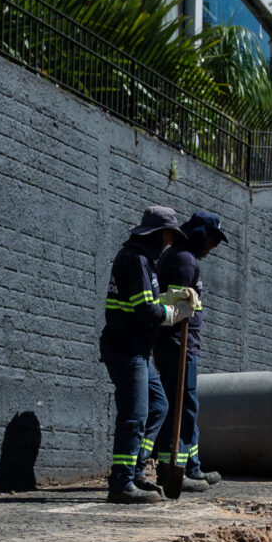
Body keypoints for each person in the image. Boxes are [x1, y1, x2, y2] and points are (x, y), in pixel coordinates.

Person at [100, 206, 195, 505]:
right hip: (127, 349)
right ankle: (122, 482)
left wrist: (169, 299)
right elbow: (145, 310)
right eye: (168, 235)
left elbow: (145, 301)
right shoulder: (136, 260)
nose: (169, 243)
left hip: (138, 351)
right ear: (157, 233)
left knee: (158, 405)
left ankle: (136, 469)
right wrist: (174, 312)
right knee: (134, 415)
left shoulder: (143, 261)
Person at [151, 211, 228, 497]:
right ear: (199, 234)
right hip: (177, 346)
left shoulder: (186, 258)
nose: (215, 245)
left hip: (184, 345)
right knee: (181, 406)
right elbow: (174, 307)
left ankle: (191, 466)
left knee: (189, 405)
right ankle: (176, 468)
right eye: (212, 239)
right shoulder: (183, 259)